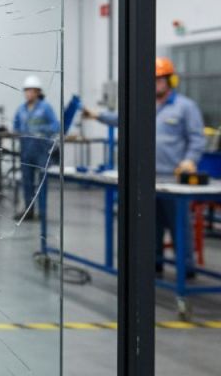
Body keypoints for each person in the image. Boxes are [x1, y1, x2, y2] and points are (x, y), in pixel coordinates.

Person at [84, 56, 206, 274]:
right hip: (148, 177)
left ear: (171, 81)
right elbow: (121, 118)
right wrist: (97, 115)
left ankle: (186, 269)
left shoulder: (185, 107)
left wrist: (190, 160)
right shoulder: (144, 106)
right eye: (152, 80)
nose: (155, 84)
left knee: (178, 225)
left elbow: (197, 138)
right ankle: (155, 263)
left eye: (160, 80)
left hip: (173, 178)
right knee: (151, 225)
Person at [12, 76, 60, 221]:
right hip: (26, 150)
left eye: (31, 91)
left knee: (41, 182)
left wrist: (40, 129)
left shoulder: (45, 108)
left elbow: (55, 126)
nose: (28, 94)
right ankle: (29, 210)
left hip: (41, 151)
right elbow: (15, 127)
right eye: (26, 91)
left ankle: (42, 212)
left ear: (38, 92)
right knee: (26, 181)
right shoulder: (21, 109)